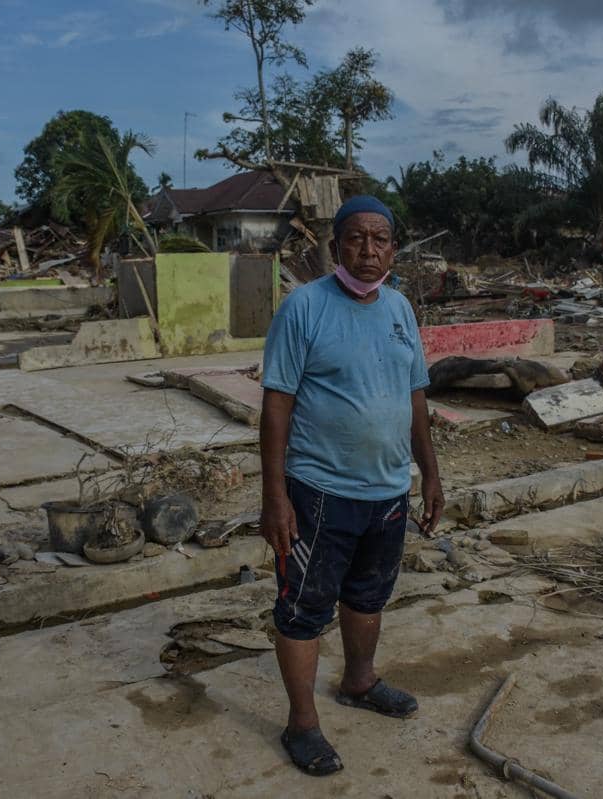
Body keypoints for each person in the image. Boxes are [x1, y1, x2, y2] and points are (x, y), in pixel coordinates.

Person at [259, 195, 445, 776]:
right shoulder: (304, 308)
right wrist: (275, 497)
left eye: (381, 239)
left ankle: (359, 683)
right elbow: (276, 406)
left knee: (369, 595)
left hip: (387, 491)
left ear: (393, 247)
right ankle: (302, 724)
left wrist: (430, 473)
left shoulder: (399, 309)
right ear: (335, 245)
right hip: (318, 490)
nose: (369, 250)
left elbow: (414, 396)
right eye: (357, 239)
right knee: (304, 609)